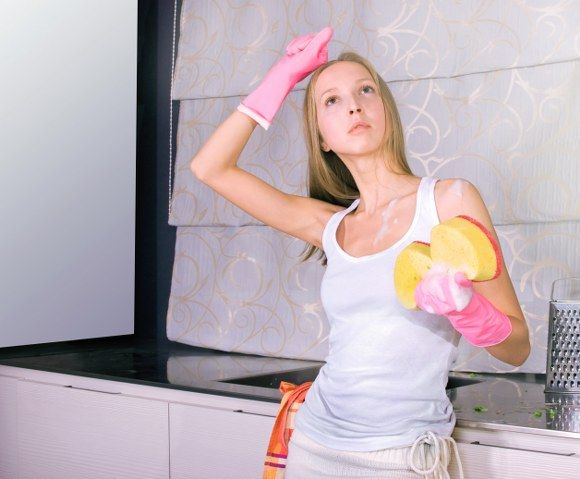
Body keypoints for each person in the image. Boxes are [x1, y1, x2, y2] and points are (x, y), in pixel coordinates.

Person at [190, 26, 531, 479]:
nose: (353, 104)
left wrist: (468, 310)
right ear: (323, 139)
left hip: (402, 456)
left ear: (385, 111)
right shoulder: (330, 226)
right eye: (331, 100)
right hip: (314, 447)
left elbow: (517, 348)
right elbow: (209, 167)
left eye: (365, 90)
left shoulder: (449, 201)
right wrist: (283, 76)